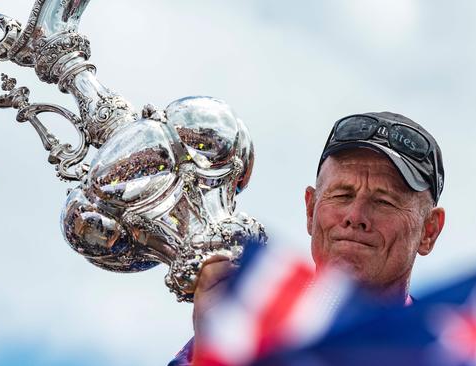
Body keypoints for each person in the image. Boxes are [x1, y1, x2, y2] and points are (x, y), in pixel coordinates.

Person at [169, 111, 446, 365]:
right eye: (342, 195)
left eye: (384, 201)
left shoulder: (452, 350)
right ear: (311, 210)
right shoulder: (249, 333)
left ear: (429, 231)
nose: (356, 215)